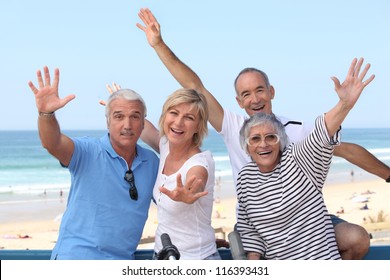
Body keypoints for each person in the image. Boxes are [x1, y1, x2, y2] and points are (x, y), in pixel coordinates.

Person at [135, 8, 390, 259]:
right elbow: (195, 87)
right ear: (238, 101)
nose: (254, 99)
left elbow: (346, 150)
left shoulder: (297, 128)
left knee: (356, 238)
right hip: (256, 224)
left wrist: (388, 175)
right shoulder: (233, 127)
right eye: (246, 94)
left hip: (303, 221)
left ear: (272, 92)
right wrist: (158, 45)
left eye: (260, 90)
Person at [236, 58, 374, 259]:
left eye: (271, 137)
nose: (263, 144)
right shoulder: (245, 178)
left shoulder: (299, 160)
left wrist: (344, 104)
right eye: (255, 139)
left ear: (281, 141)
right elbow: (250, 232)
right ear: (247, 147)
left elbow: (322, 132)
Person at [28, 66, 159, 259]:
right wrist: (46, 115)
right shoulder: (87, 151)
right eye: (119, 116)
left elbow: (171, 206)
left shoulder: (152, 162)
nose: (127, 125)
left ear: (143, 123)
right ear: (107, 121)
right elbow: (52, 143)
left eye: (135, 117)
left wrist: (199, 240)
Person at [106, 84, 221, 260]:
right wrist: (120, 104)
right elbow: (141, 126)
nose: (178, 122)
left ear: (198, 126)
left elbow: (197, 178)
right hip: (162, 254)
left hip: (196, 259)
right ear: (165, 115)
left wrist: (189, 192)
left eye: (189, 117)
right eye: (174, 113)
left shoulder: (200, 161)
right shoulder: (166, 145)